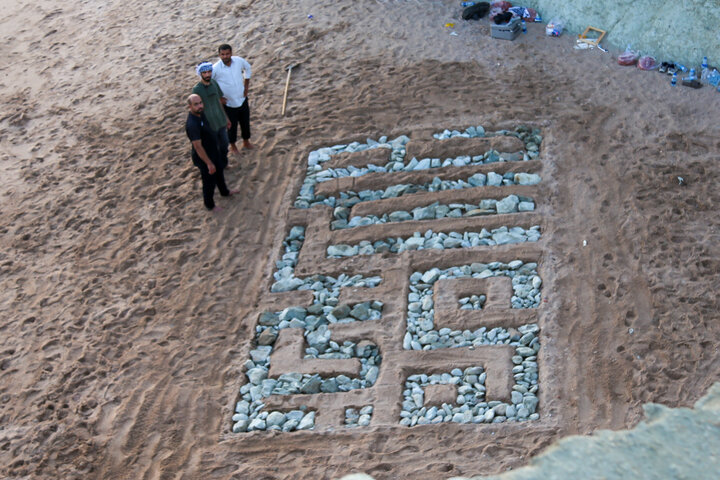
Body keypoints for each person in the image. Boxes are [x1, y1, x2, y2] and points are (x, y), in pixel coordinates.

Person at [185, 94, 234, 211]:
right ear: (189, 107)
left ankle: (225, 192)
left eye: (200, 103)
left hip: (213, 151)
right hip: (204, 157)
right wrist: (208, 163)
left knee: (219, 171)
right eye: (196, 104)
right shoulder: (192, 124)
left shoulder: (201, 114)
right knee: (209, 181)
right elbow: (197, 146)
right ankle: (210, 205)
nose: (200, 106)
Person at [212, 44, 253, 154]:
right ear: (219, 55)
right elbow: (210, 83)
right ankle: (233, 145)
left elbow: (248, 68)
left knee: (245, 122)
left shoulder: (238, 61)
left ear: (231, 53)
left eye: (227, 54)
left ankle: (246, 141)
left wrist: (246, 86)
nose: (225, 56)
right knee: (231, 126)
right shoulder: (215, 68)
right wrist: (219, 97)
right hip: (229, 103)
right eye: (223, 54)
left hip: (242, 98)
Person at [192, 61, 231, 168]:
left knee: (224, 144)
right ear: (200, 74)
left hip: (220, 121)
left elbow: (219, 101)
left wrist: (226, 118)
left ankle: (224, 164)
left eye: (209, 72)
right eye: (204, 73)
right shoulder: (197, 89)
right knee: (213, 147)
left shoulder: (214, 83)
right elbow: (196, 110)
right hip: (209, 125)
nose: (207, 75)